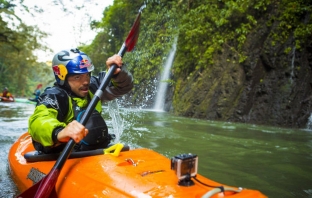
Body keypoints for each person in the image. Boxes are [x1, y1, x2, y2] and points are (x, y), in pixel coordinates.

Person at [28, 48, 133, 153]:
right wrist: (59, 132)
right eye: (77, 77)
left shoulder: (94, 87)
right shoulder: (55, 96)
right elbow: (38, 121)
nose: (86, 82)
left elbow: (123, 87)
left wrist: (116, 73)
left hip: (97, 150)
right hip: (68, 154)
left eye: (87, 75)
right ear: (62, 77)